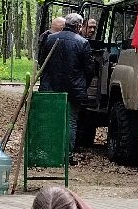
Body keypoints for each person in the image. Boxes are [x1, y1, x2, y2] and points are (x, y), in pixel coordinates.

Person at [38, 11, 95, 154]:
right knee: (71, 121)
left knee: (51, 120)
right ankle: (66, 154)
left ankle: (49, 152)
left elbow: (42, 62)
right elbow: (89, 70)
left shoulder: (50, 39)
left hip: (50, 87)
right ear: (79, 26)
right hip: (73, 90)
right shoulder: (83, 43)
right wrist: (83, 84)